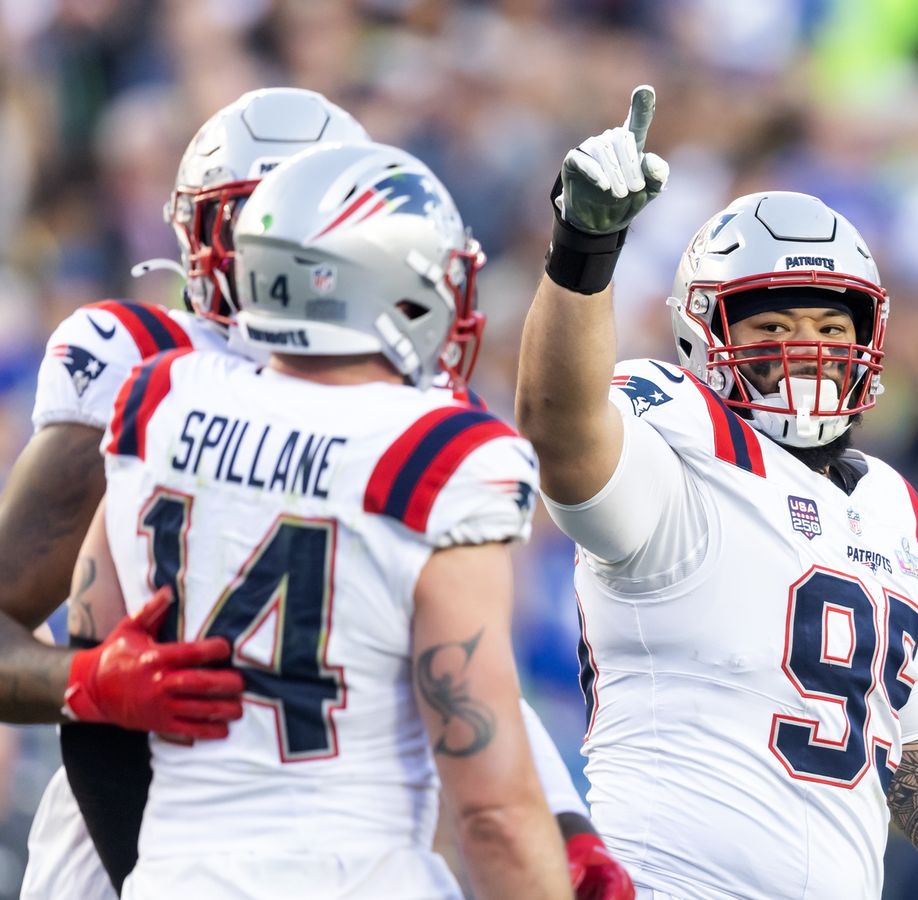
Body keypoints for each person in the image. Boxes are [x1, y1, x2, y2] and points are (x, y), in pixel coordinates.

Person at [14, 87, 629, 900]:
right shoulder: (146, 373)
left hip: (209, 856)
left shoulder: (166, 398)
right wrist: (87, 682)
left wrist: (564, 824)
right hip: (142, 832)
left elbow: (457, 671)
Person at [514, 85, 918, 900]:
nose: (808, 350)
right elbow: (559, 427)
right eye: (774, 327)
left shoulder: (884, 507)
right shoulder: (681, 451)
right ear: (706, 334)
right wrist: (583, 250)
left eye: (830, 328)